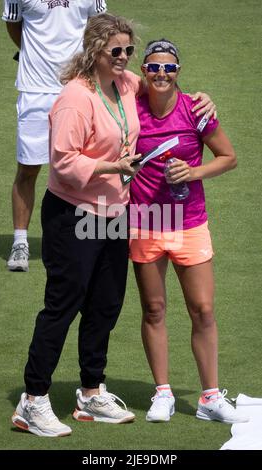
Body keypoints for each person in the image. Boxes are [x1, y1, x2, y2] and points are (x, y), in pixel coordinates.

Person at [11, 16, 216, 437]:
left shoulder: (125, 85)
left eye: (128, 51)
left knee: (105, 304)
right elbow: (63, 161)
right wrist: (112, 165)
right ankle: (32, 401)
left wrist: (200, 99)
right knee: (63, 304)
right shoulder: (74, 98)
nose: (124, 58)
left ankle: (90, 392)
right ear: (94, 53)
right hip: (74, 214)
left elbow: (163, 90)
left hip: (116, 213)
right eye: (115, 51)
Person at [129, 39, 249, 424]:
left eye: (169, 68)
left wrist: (194, 172)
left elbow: (228, 157)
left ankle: (210, 396)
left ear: (178, 71)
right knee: (154, 309)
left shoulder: (196, 109)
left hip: (189, 222)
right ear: (143, 70)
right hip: (146, 222)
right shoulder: (130, 108)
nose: (161, 74)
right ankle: (162, 392)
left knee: (203, 310)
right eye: (154, 67)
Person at [2, 0, 107, 272]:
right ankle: (20, 242)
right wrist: (31, 54)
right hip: (34, 89)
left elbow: (99, 27)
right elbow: (14, 25)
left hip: (77, 86)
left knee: (86, 164)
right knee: (28, 168)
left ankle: (87, 236)